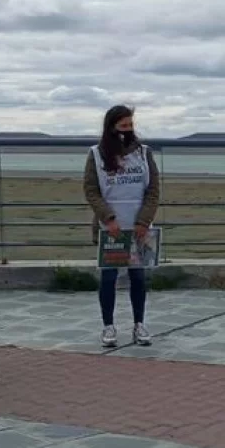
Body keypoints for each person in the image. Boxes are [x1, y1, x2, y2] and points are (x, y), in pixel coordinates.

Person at [84, 105, 160, 348]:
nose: (127, 131)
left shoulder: (143, 153)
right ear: (111, 127)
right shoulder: (96, 154)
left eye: (130, 126)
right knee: (108, 279)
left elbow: (153, 190)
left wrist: (143, 221)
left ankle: (139, 324)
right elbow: (91, 190)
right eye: (122, 126)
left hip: (139, 228)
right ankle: (108, 326)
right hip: (112, 229)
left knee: (138, 277)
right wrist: (107, 218)